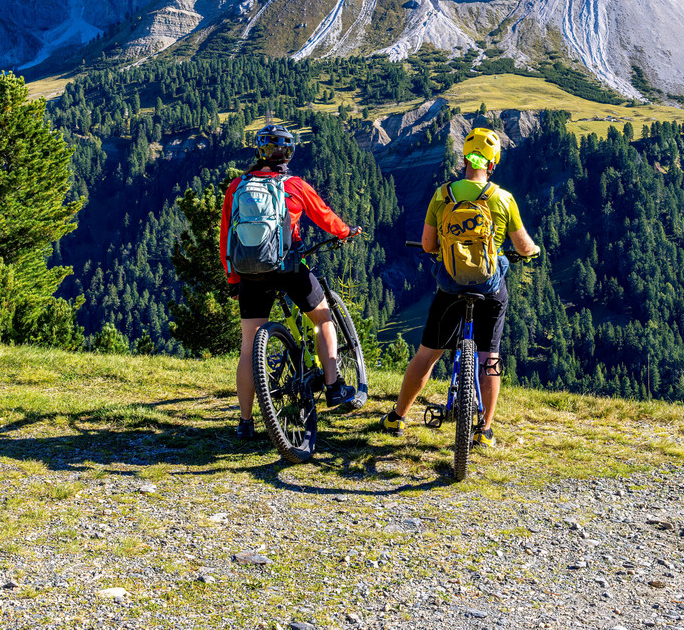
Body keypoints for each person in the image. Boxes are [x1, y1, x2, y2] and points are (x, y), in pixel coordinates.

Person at [381, 126, 538, 448]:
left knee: (428, 354)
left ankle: (397, 417)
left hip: (451, 286)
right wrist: (532, 251)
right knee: (489, 356)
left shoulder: (443, 195)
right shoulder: (502, 198)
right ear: (491, 163)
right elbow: (523, 247)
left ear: (465, 159)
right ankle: (484, 429)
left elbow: (427, 244)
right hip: (489, 288)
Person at [221, 123, 361, 441]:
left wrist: (232, 277)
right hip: (288, 270)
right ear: (288, 152)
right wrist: (346, 232)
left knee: (248, 347)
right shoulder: (293, 185)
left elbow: (226, 235)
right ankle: (334, 386)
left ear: (260, 152)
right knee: (323, 319)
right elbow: (325, 217)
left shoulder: (237, 187)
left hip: (249, 274)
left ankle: (245, 422)